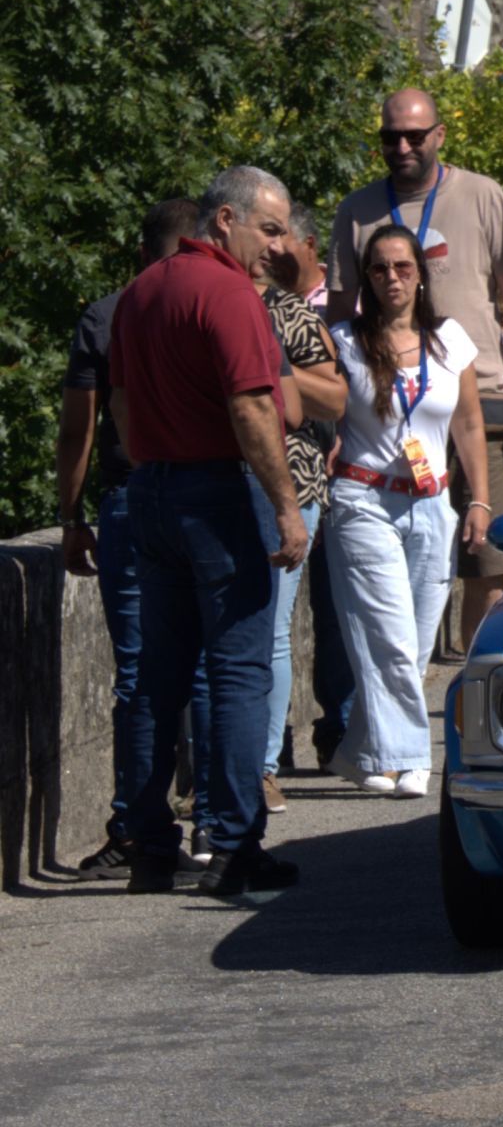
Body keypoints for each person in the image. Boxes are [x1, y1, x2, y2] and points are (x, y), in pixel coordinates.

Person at [108, 166, 308, 895]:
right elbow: (254, 407)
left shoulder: (141, 292)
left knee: (157, 677)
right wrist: (285, 506)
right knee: (238, 672)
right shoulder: (228, 293)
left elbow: (120, 403)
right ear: (226, 220)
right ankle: (232, 845)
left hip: (151, 489)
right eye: (270, 229)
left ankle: (149, 845)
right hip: (215, 492)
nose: (279, 246)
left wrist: (153, 464)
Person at [326, 88, 503, 658]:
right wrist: (332, 416)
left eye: (415, 136)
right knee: (393, 579)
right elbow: (338, 318)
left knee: (494, 565)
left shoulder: (481, 195)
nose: (402, 147)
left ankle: (478, 693)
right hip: (384, 414)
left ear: (439, 135)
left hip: (474, 404)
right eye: (391, 137)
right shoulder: (357, 209)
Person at [56, 197, 203, 878]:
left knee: (142, 673)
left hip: (130, 497)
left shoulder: (108, 314)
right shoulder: (221, 302)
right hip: (208, 495)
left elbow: (78, 427)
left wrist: (70, 517)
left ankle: (140, 830)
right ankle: (219, 824)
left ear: (143, 253)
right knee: (210, 667)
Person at [325, 225, 491, 799]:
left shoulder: (449, 340)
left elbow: (468, 423)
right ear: (366, 278)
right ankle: (413, 760)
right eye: (379, 268)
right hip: (364, 501)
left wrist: (478, 499)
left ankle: (362, 753)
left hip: (432, 502)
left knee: (413, 646)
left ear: (420, 274)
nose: (391, 278)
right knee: (388, 637)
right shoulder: (344, 342)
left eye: (402, 267)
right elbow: (322, 409)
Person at [258, 240, 349, 814]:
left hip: (291, 479)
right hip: (206, 479)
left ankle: (262, 768)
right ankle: (224, 770)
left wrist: (269, 366)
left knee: (271, 628)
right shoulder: (193, 302)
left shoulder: (288, 311)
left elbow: (335, 398)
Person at [270, 202, 331, 313]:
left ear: (309, 244)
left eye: (279, 236)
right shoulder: (263, 300)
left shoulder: (344, 295)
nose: (272, 247)